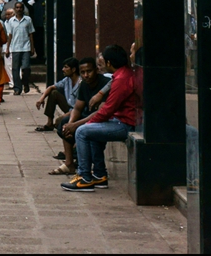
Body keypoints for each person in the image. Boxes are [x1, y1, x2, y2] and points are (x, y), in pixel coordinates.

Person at [62, 45, 140, 192]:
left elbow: (107, 110)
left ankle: (84, 177)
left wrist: (82, 126)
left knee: (83, 132)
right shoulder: (124, 73)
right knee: (91, 133)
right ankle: (99, 174)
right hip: (122, 120)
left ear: (109, 63)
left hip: (125, 124)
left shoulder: (122, 78)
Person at [47, 56, 110, 175]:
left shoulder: (105, 84)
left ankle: (88, 170)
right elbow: (77, 108)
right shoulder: (84, 85)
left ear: (96, 70)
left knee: (84, 131)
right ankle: (69, 163)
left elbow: (101, 113)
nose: (86, 75)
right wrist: (70, 124)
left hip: (101, 119)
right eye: (83, 72)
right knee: (64, 125)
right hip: (86, 115)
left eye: (89, 71)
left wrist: (76, 125)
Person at [34, 57, 80, 131]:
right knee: (54, 93)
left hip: (78, 111)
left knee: (60, 123)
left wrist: (64, 116)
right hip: (69, 107)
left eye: (66, 67)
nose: (63, 69)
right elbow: (51, 87)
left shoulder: (81, 83)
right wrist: (41, 98)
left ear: (73, 69)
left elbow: (80, 108)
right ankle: (49, 123)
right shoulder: (67, 80)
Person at [4, 1, 37, 96]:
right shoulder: (11, 21)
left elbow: (31, 34)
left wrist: (32, 47)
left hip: (26, 47)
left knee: (26, 67)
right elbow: (10, 36)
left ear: (23, 9)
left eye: (20, 7)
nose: (19, 9)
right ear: (15, 9)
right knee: (15, 69)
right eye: (17, 7)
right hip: (15, 48)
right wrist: (7, 49)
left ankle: (25, 83)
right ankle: (17, 88)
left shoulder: (28, 20)